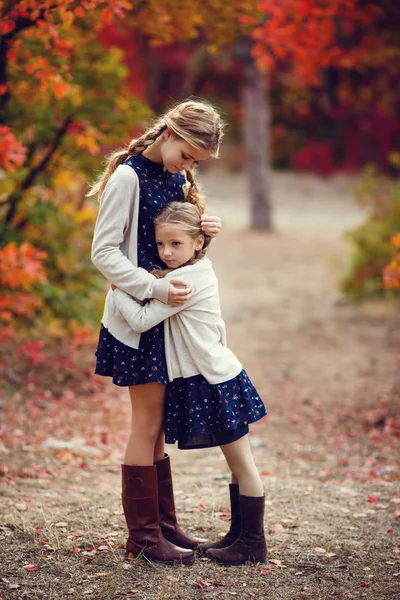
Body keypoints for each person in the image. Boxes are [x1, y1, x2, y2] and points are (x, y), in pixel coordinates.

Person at [90, 99, 224, 565]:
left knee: (158, 424)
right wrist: (154, 289)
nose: (189, 167)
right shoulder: (128, 177)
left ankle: (163, 527)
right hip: (138, 315)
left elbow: (176, 240)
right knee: (145, 423)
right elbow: (104, 252)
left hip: (165, 318)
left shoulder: (177, 177)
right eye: (187, 155)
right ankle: (144, 539)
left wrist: (205, 228)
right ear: (168, 132)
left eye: (196, 162)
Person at [111, 201, 268, 566]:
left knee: (242, 463)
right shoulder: (198, 267)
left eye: (176, 244)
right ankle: (238, 535)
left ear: (199, 242)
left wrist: (118, 286)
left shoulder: (184, 280)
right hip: (216, 377)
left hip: (215, 382)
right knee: (236, 464)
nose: (166, 252)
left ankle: (252, 543)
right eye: (161, 244)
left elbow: (139, 319)